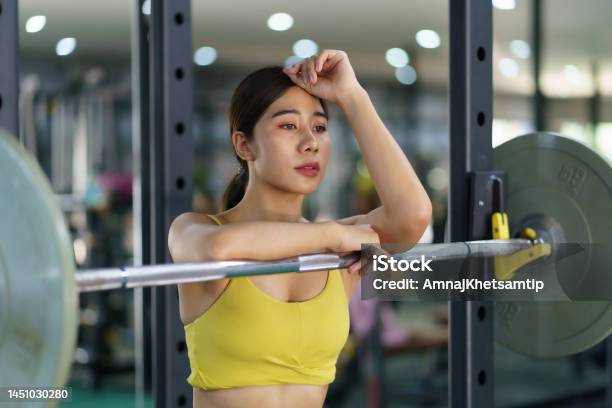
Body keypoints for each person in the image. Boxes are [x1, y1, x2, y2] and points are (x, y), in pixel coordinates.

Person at [168, 49, 432, 408]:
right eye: (289, 125)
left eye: (320, 127)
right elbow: (216, 250)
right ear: (244, 145)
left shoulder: (337, 247)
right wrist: (331, 235)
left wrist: (353, 97)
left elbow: (412, 215)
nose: (310, 143)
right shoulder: (195, 229)